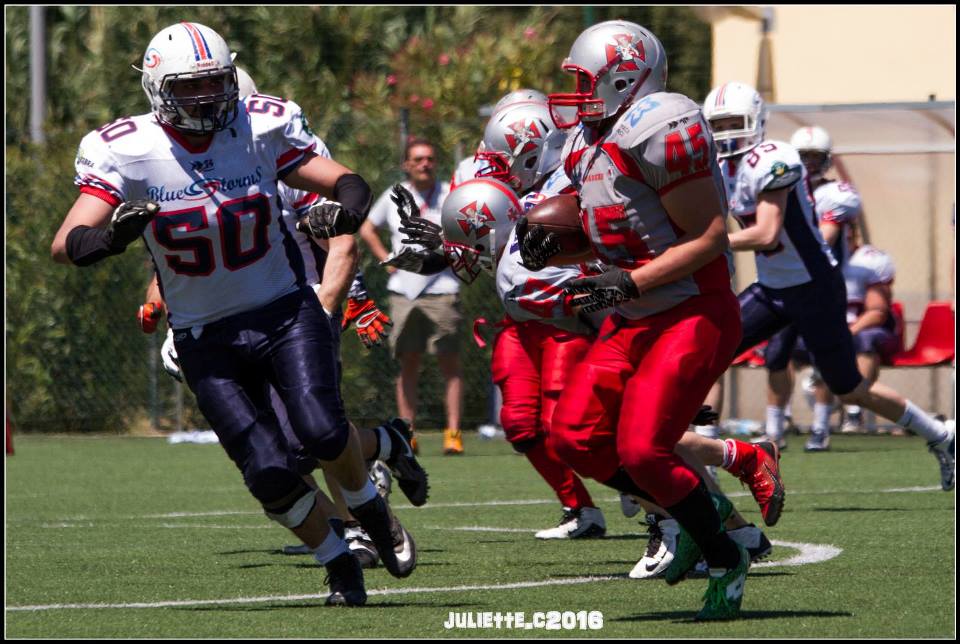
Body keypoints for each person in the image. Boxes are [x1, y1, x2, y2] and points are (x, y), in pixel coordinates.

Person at [51, 22, 417, 607]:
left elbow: (346, 181)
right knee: (268, 471)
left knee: (321, 430)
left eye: (216, 83)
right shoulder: (124, 147)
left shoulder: (261, 124)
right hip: (204, 335)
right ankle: (337, 561)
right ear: (157, 88)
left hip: (282, 311)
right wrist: (111, 238)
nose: (207, 98)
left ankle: (373, 511)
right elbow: (65, 241)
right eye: (190, 87)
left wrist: (343, 214)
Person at [140, 67, 428, 567]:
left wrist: (333, 304)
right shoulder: (190, 168)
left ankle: (358, 527)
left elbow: (340, 234)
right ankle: (384, 442)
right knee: (286, 448)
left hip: (294, 307)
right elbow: (181, 252)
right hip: (232, 317)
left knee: (314, 433)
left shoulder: (271, 154)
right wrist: (161, 302)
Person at [516, 20, 753, 620]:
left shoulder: (660, 123)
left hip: (691, 310)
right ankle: (699, 508)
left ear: (626, 74)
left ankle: (726, 557)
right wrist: (554, 248)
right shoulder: (590, 140)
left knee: (645, 449)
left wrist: (626, 282)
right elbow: (611, 235)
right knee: (572, 435)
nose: (574, 91)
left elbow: (708, 237)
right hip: (637, 315)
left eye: (585, 78)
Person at [701, 81, 955, 487]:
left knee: (850, 387)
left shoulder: (774, 158)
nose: (727, 133)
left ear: (756, 122)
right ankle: (707, 458)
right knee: (705, 352)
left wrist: (706, 246)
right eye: (720, 124)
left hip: (814, 289)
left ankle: (942, 435)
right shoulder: (720, 166)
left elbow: (767, 233)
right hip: (773, 289)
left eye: (735, 123)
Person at [760, 125, 866, 445]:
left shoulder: (835, 194)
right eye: (801, 157)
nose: (807, 164)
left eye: (814, 158)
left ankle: (820, 426)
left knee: (824, 360)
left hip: (820, 287)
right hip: (785, 283)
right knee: (776, 355)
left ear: (827, 160)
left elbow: (824, 237)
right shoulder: (779, 190)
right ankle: (774, 429)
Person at [359, 139, 464, 454]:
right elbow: (367, 228)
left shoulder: (451, 194)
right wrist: (386, 260)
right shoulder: (394, 195)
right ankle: (408, 432)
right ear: (407, 164)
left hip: (443, 289)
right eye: (418, 159)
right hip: (404, 291)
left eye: (430, 158)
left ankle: (454, 433)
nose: (425, 164)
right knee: (408, 363)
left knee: (450, 363)